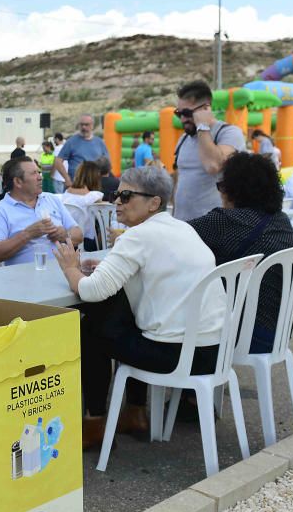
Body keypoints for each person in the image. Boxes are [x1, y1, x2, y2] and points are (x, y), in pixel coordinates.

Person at [52, 166, 225, 448]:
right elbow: (156, 270)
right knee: (122, 314)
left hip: (173, 355)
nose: (117, 201)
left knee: (92, 328)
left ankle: (94, 424)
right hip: (211, 352)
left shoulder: (137, 236)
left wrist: (71, 268)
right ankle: (135, 412)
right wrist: (106, 268)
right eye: (116, 194)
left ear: (154, 202)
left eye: (126, 195)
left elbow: (90, 290)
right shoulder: (183, 228)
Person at [188, 152, 293, 354]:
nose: (220, 193)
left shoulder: (224, 221)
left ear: (234, 190)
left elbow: (171, 237)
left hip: (246, 334)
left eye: (222, 186)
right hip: (279, 331)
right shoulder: (281, 220)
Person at [0, 157, 82, 266]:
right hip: (24, 278)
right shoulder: (0, 211)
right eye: (34, 173)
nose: (40, 177)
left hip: (63, 272)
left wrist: (65, 235)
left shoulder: (51, 200)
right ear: (18, 181)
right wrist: (27, 234)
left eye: (39, 172)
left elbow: (79, 234)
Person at [170, 80, 245, 221]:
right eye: (178, 113)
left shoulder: (229, 133)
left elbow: (213, 165)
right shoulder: (183, 139)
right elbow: (179, 179)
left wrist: (202, 126)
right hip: (184, 225)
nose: (183, 119)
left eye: (187, 113)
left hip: (216, 226)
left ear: (206, 109)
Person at [52, 115, 108, 192]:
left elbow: (106, 163)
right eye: (81, 125)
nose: (84, 127)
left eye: (86, 124)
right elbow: (58, 161)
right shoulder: (71, 142)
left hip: (94, 187)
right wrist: (67, 179)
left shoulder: (100, 142)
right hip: (75, 186)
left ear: (92, 126)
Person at [62, 160, 106, 251]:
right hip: (86, 243)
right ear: (95, 178)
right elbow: (107, 211)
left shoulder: (66, 193)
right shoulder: (94, 196)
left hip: (66, 241)